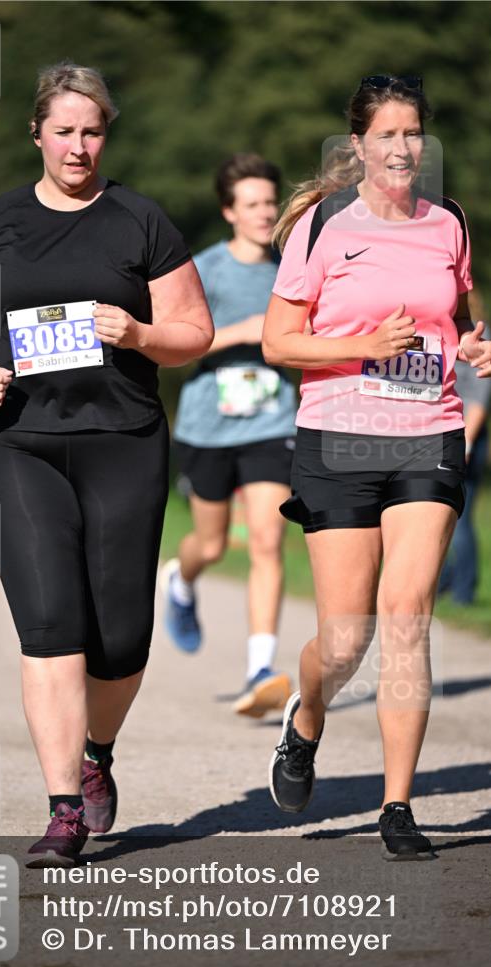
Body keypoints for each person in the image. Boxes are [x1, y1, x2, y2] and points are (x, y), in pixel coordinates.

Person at [0, 60, 213, 865]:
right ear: (38, 133)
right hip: (17, 440)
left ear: (104, 135)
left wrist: (140, 335)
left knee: (118, 641)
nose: (78, 146)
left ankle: (96, 754)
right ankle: (61, 809)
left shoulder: (139, 222)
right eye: (63, 130)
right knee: (51, 625)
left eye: (91, 131)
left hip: (121, 442)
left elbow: (193, 331)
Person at [262, 75, 491, 860]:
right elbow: (279, 342)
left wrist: (477, 349)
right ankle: (304, 721)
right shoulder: (323, 223)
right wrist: (358, 347)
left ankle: (396, 806)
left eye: (413, 135)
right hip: (337, 437)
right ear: (357, 144)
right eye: (387, 135)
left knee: (406, 617)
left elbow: (457, 323)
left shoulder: (449, 224)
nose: (402, 149)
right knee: (344, 639)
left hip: (427, 433)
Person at [161, 153, 297, 719]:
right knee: (213, 544)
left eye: (271, 201)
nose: (266, 212)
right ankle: (181, 577)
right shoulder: (205, 270)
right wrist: (242, 331)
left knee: (267, 539)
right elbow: (170, 347)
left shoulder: (295, 268)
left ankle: (260, 668)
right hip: (208, 424)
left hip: (273, 421)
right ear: (228, 211)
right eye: (253, 204)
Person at [438, 291, 491, 604]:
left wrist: (467, 443)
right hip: (439, 431)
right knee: (437, 517)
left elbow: (479, 398)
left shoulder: (477, 334)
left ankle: (464, 593)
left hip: (466, 435)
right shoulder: (437, 331)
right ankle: (442, 582)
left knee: (460, 518)